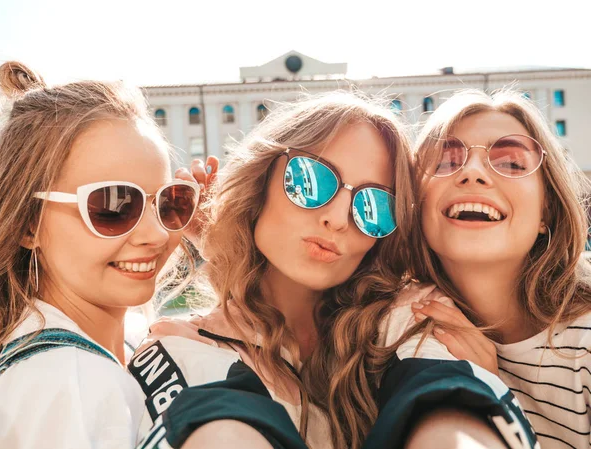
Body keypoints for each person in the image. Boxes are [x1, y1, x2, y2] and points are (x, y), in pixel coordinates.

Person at [131, 92, 537, 449]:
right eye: (311, 181)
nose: (339, 219)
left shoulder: (413, 316)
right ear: (262, 180)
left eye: (375, 206)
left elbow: (447, 406)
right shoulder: (184, 346)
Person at [0, 61, 200, 449]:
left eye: (169, 203)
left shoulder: (129, 340)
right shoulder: (69, 382)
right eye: (114, 205)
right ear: (28, 225)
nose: (156, 234)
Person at [409, 88, 591, 449]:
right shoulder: (405, 323)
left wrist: (493, 394)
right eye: (446, 161)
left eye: (510, 163)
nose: (473, 173)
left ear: (547, 211)